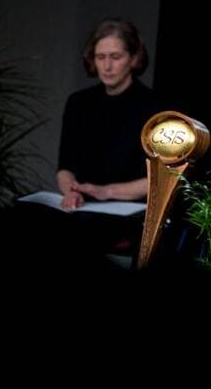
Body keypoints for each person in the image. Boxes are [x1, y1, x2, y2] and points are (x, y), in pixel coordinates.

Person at [54, 18, 162, 254]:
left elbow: (160, 179)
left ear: (134, 58)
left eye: (115, 57)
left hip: (130, 218)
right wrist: (70, 190)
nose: (107, 66)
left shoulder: (155, 107)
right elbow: (65, 166)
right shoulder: (78, 103)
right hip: (82, 211)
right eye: (100, 57)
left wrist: (107, 192)